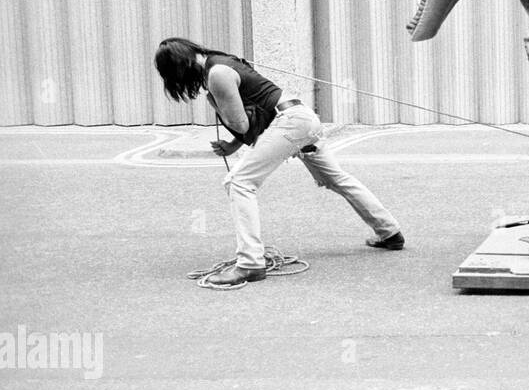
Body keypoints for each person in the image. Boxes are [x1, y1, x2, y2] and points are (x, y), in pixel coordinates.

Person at [154, 37, 404, 286]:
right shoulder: (222, 61)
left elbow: (241, 123)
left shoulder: (217, 75)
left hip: (288, 124)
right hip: (301, 118)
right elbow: (256, 111)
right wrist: (233, 145)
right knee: (336, 178)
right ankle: (389, 232)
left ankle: (250, 264)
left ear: (178, 68)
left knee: (239, 183)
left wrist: (216, 104)